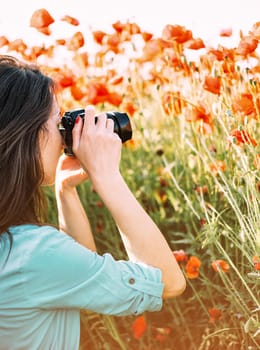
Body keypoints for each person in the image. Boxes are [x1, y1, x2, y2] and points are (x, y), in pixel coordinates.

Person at [0, 54, 186, 350]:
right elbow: (168, 281)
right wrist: (108, 177)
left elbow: (78, 279)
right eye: (58, 123)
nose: (65, 139)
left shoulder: (18, 249)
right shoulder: (31, 254)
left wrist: (65, 192)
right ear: (28, 135)